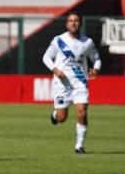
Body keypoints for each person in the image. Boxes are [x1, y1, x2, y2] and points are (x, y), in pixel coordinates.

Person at [42, 11, 101, 154]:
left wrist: (96, 69)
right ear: (66, 24)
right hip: (63, 83)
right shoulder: (58, 40)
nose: (73, 23)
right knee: (62, 118)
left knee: (82, 112)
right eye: (70, 21)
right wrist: (55, 69)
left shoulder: (87, 42)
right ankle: (55, 115)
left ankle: (79, 146)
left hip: (80, 81)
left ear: (80, 23)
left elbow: (97, 58)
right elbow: (46, 57)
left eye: (76, 20)